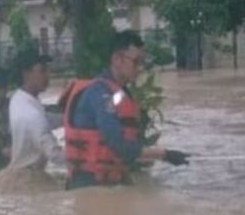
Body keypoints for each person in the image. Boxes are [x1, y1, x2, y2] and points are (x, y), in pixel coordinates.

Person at [63, 30, 189, 188]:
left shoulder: (119, 95)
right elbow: (119, 144)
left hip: (108, 184)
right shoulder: (100, 94)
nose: (140, 67)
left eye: (142, 62)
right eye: (136, 61)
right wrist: (165, 154)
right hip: (89, 185)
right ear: (117, 59)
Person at [7, 50, 65, 171]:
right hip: (31, 179)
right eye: (43, 71)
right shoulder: (33, 116)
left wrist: (68, 118)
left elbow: (45, 118)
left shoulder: (18, 99)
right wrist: (83, 158)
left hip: (18, 174)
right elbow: (55, 155)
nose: (48, 75)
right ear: (27, 74)